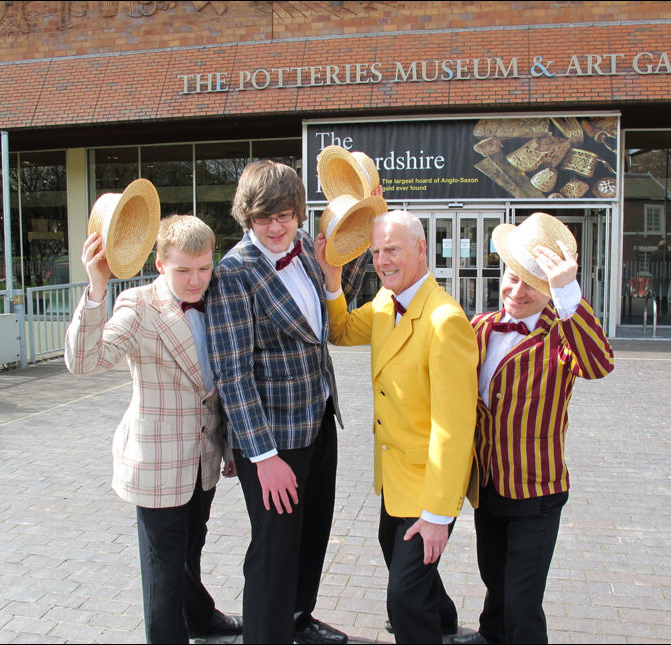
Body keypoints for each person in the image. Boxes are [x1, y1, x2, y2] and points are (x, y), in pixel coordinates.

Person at [64, 214, 243, 644]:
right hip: (157, 460)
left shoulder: (218, 298)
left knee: (191, 549)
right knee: (163, 567)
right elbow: (85, 361)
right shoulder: (138, 305)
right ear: (161, 264)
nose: (196, 280)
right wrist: (96, 289)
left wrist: (231, 448)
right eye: (183, 270)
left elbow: (225, 384)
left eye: (203, 268)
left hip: (203, 457)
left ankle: (199, 617)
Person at [315, 209, 479, 644]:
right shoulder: (387, 302)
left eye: (392, 250)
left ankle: (427, 627)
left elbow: (455, 427)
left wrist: (439, 515)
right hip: (394, 477)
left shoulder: (445, 322)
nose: (382, 261)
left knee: (403, 598)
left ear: (421, 249)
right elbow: (342, 330)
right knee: (399, 560)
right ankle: (444, 621)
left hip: (428, 486)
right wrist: (334, 279)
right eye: (375, 252)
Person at [450, 212, 615, 645]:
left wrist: (568, 296)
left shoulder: (562, 334)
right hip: (487, 487)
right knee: (495, 579)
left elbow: (599, 364)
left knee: (523, 603)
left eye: (532, 283)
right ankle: (490, 635)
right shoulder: (480, 327)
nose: (516, 291)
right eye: (511, 277)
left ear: (550, 290)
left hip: (536, 492)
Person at [205, 160, 351, 645]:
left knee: (312, 535)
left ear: (298, 213)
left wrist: (334, 275)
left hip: (319, 418)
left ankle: (298, 620)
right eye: (263, 218)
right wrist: (262, 457)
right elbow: (234, 373)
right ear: (246, 216)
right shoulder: (233, 274)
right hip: (272, 439)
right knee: (275, 549)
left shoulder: (308, 248)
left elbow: (320, 330)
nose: (275, 227)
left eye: (285, 215)